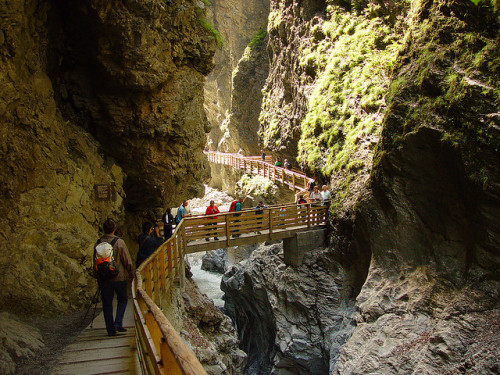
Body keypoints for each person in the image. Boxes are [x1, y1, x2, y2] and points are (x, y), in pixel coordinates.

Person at [94, 218, 134, 336]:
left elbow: (95, 260)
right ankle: (118, 323)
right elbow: (127, 260)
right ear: (114, 229)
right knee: (122, 299)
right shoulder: (119, 242)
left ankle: (110, 330)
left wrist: (97, 276)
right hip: (118, 277)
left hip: (104, 278)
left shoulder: (98, 243)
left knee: (107, 303)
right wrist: (131, 273)